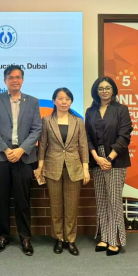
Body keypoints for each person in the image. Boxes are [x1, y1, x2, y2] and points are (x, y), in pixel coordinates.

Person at [0, 65, 42, 256]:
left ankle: (25, 237)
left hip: (24, 157)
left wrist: (21, 150)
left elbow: (36, 129)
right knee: (1, 198)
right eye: (11, 77)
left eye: (18, 77)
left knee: (23, 200)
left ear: (22, 80)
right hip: (0, 157)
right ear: (5, 81)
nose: (14, 80)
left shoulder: (32, 101)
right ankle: (3, 235)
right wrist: (6, 149)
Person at [36, 88, 90, 256]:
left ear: (71, 101)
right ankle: (59, 238)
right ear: (54, 101)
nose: (64, 102)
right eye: (60, 98)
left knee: (72, 207)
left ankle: (70, 239)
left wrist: (86, 170)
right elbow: (42, 145)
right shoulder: (46, 121)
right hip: (52, 167)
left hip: (74, 168)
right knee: (56, 206)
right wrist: (40, 167)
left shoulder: (78, 121)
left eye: (67, 99)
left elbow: (83, 146)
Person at [85, 77, 132, 256]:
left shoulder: (121, 110)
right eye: (100, 88)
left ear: (113, 90)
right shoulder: (90, 111)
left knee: (114, 200)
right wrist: (97, 157)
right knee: (102, 200)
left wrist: (109, 158)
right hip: (97, 159)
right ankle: (105, 237)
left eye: (107, 88)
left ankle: (116, 239)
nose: (104, 91)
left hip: (116, 159)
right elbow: (87, 136)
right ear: (96, 91)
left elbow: (124, 136)